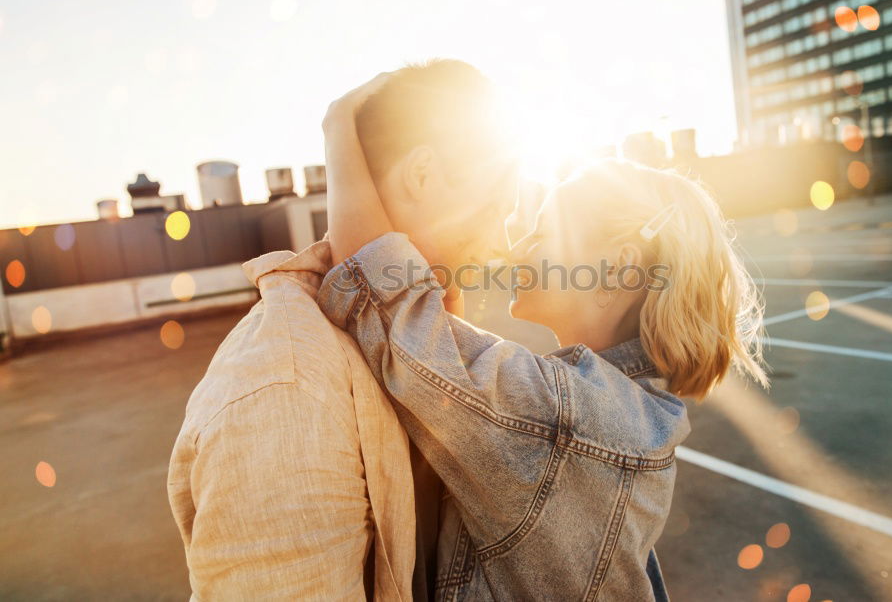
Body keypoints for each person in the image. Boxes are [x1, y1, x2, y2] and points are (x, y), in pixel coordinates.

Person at [318, 75, 770, 600]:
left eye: (542, 232)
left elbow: (382, 299)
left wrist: (338, 131)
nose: (517, 248)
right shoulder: (615, 409)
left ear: (619, 269)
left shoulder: (570, 418)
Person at [167, 60, 517, 600]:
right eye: (494, 209)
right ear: (422, 175)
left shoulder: (422, 333)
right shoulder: (287, 391)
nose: (503, 244)